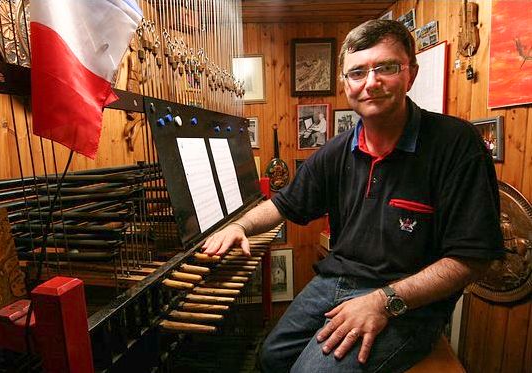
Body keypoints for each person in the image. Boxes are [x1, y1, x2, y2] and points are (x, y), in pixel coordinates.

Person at [202, 19, 503, 372]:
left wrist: (383, 301)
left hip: (407, 300)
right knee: (270, 358)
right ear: (346, 83)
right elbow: (283, 204)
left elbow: (473, 259)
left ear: (411, 73)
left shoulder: (456, 144)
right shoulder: (336, 151)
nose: (371, 83)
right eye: (357, 72)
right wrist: (239, 226)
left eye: (386, 68)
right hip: (336, 281)